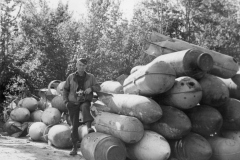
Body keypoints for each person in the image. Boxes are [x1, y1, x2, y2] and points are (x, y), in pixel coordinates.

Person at [63, 58, 100, 156]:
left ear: (86, 66)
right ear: (76, 65)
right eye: (79, 65)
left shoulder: (90, 77)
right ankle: (74, 147)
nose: (81, 67)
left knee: (85, 107)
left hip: (85, 101)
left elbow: (98, 87)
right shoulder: (70, 77)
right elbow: (65, 90)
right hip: (72, 103)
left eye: (83, 65)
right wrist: (66, 102)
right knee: (74, 126)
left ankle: (89, 127)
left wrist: (91, 89)